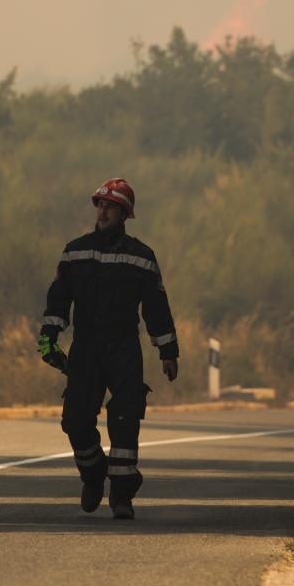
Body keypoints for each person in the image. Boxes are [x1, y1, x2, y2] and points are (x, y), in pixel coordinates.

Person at [38, 178, 179, 520]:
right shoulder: (76, 251)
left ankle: (122, 496)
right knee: (75, 420)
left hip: (123, 348)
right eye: (99, 205)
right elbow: (59, 299)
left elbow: (156, 307)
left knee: (125, 419)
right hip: (85, 348)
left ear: (125, 214)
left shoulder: (142, 257)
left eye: (110, 206)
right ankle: (93, 475)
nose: (103, 212)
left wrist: (167, 350)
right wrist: (49, 337)